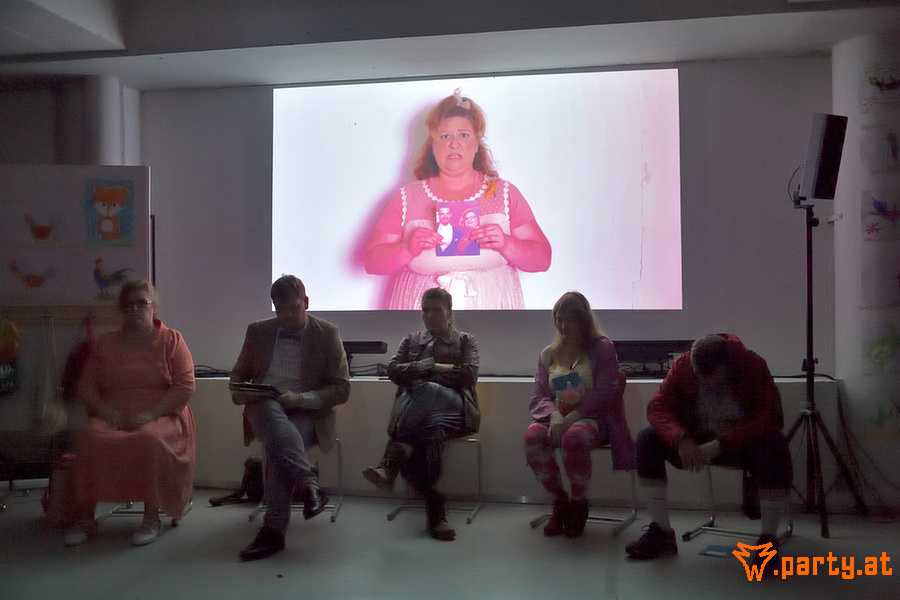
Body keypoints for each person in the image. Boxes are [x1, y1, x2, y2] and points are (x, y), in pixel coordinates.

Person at [364, 89, 552, 309]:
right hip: (423, 315)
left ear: (477, 144)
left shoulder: (504, 193)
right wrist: (407, 248)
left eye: (463, 135)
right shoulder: (407, 197)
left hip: (492, 312)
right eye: (445, 136)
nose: (454, 144)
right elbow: (372, 262)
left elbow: (542, 259)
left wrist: (506, 243)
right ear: (432, 146)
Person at [625, 333, 792, 561]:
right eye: (699, 375)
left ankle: (768, 543)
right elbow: (658, 406)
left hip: (742, 442)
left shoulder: (752, 365)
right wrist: (680, 439)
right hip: (696, 442)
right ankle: (662, 533)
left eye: (711, 376)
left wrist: (723, 443)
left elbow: (771, 416)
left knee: (775, 444)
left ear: (727, 364)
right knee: (647, 438)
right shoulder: (683, 365)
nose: (705, 381)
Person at [65, 279, 195, 547]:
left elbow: (185, 386)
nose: (135, 309)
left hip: (161, 415)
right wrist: (104, 411)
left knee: (149, 440)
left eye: (141, 303)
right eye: (128, 304)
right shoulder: (106, 342)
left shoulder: (172, 339)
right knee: (89, 438)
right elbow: (86, 386)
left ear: (153, 307)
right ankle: (85, 518)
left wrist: (151, 414)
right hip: (112, 414)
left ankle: (151, 518)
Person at [231, 275, 350, 561]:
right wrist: (248, 390)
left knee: (279, 448)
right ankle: (308, 484)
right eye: (280, 309)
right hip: (265, 406)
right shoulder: (258, 331)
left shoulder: (327, 333)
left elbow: (342, 389)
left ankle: (273, 531)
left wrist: (300, 399)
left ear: (306, 302)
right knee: (270, 412)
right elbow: (237, 376)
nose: (287, 315)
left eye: (294, 308)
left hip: (306, 412)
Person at [362, 288, 479, 540]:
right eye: (425, 310)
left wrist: (424, 375)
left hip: (456, 410)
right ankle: (435, 509)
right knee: (428, 429)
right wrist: (433, 366)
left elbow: (468, 375)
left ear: (449, 312)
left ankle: (390, 463)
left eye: (436, 310)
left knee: (427, 391)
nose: (429, 316)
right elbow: (393, 370)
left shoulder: (465, 340)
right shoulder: (411, 340)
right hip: (423, 418)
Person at [523, 292, 635, 538]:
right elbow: (538, 395)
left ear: (584, 320)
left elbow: (606, 393)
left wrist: (572, 417)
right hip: (557, 418)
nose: (563, 326)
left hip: (595, 419)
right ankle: (560, 502)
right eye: (559, 319)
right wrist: (555, 416)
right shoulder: (548, 354)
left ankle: (578, 503)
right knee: (533, 438)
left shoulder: (602, 348)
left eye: (570, 320)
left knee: (574, 437)